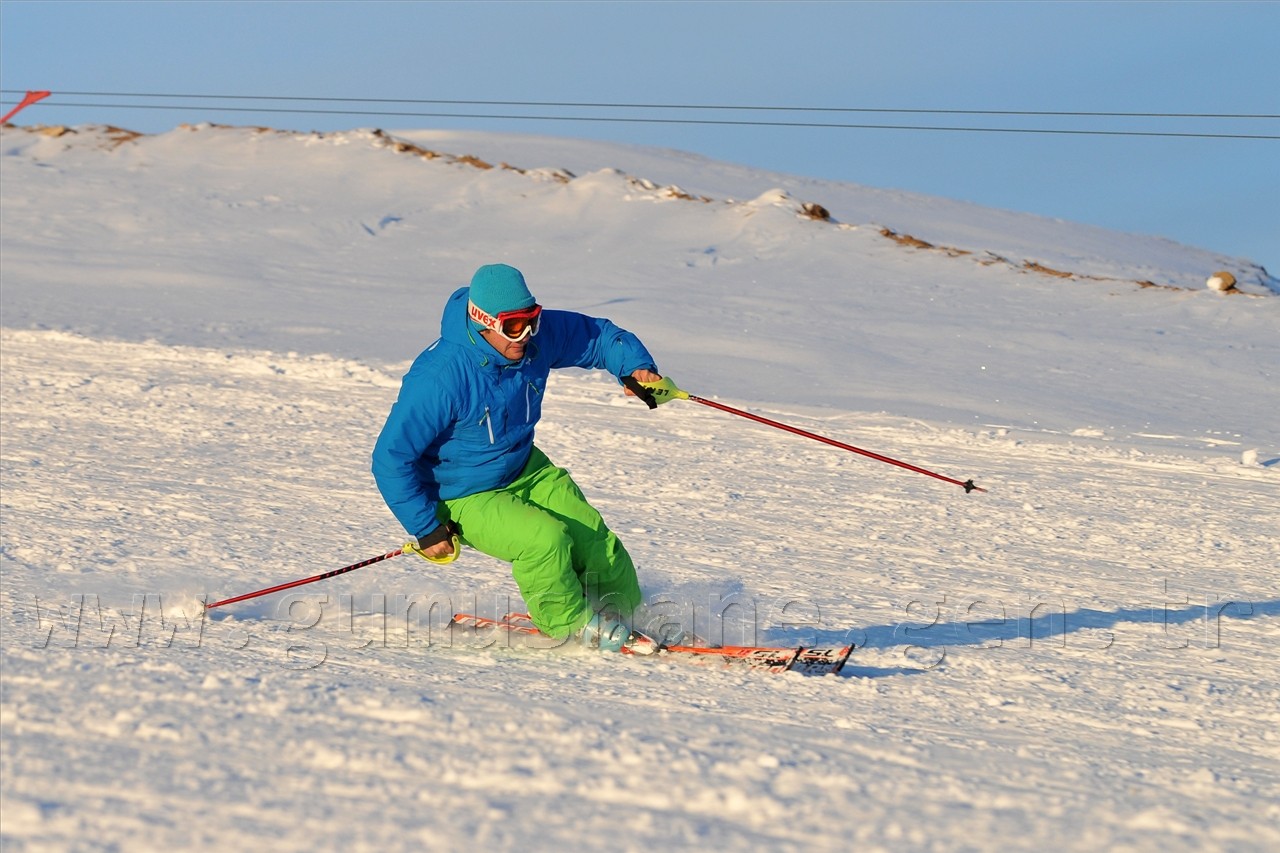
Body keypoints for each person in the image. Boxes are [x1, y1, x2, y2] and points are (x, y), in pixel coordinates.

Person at [372, 264, 662, 652]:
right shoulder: (439, 378)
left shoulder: (530, 340)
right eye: (513, 327)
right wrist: (425, 527)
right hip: (461, 493)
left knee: (594, 538)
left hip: (523, 467)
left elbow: (595, 336)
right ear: (483, 321)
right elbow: (390, 458)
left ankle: (629, 614)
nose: (525, 335)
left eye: (532, 321)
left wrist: (634, 367)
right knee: (545, 540)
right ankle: (570, 624)